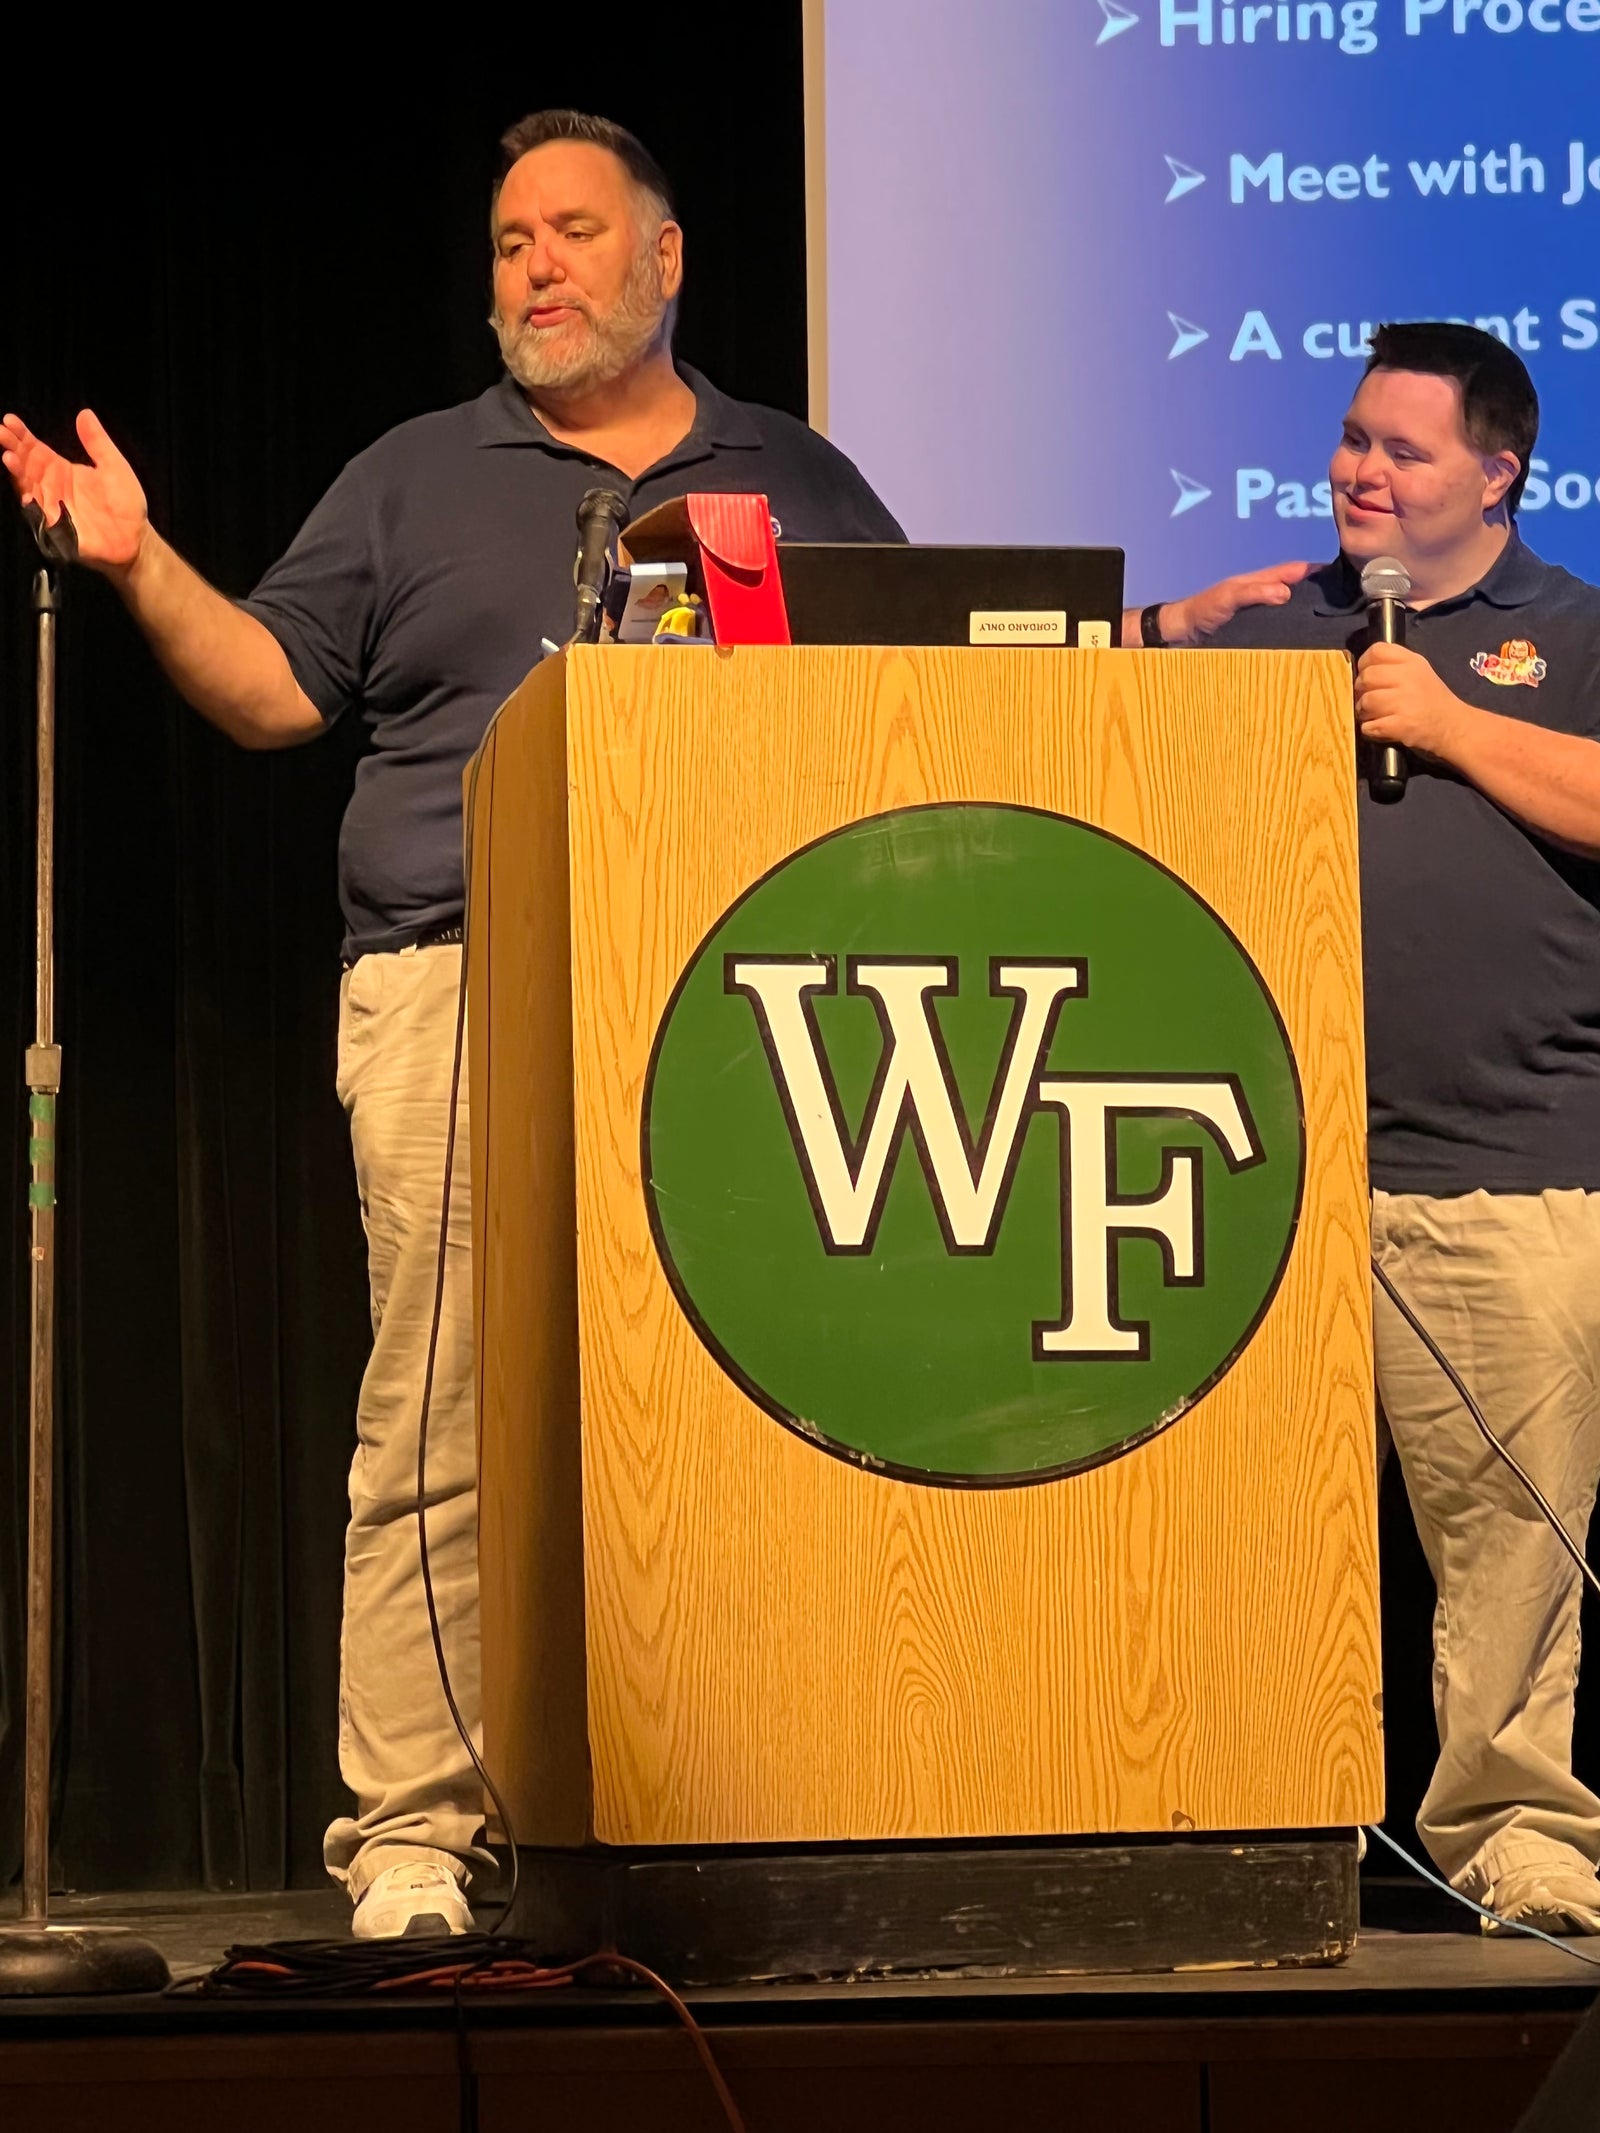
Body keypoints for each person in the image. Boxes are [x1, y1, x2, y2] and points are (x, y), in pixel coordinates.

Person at [2, 106, 1306, 1939]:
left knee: (755, 1408)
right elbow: (275, 700)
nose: (535, 268)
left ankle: (764, 1797)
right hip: (460, 985)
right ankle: (413, 1831)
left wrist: (1147, 647)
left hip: (742, 1005)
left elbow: (936, 704)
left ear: (667, 258)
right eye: (509, 241)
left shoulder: (797, 473)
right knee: (439, 1419)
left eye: (573, 232)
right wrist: (140, 560)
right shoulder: (411, 476)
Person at [1198, 322, 1600, 1934]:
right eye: (1353, 436)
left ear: (1498, 471)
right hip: (1261, 1173)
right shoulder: (1281, 627)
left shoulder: (1567, 628)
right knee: (1247, 1524)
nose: (1361, 469)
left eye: (1404, 447)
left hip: (1507, 1155)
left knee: (1515, 1532)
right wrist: (1169, 619)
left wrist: (1442, 721)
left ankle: (1514, 1831)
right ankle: (1238, 1819)